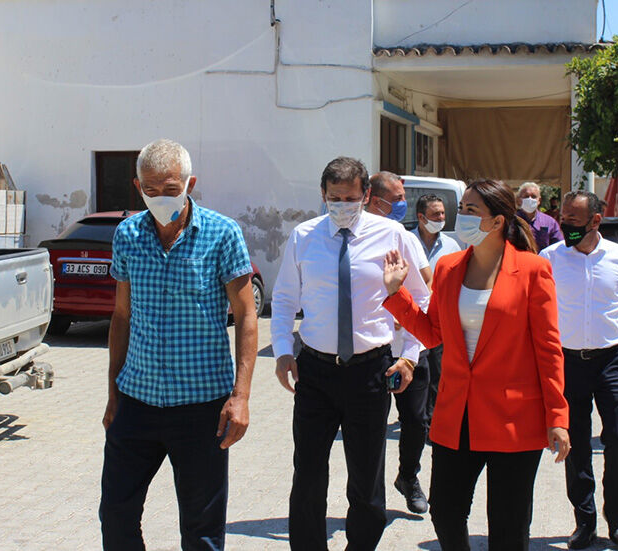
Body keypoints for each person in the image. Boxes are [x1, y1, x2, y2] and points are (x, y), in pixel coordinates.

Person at [382, 178, 570, 551]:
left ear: (498, 221)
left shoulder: (533, 270)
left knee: (508, 526)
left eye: (471, 210)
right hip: (458, 413)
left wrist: (557, 418)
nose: (462, 216)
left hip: (514, 417)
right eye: (462, 208)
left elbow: (549, 349)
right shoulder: (449, 267)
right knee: (445, 512)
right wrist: (396, 292)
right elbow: (433, 333)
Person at [99, 139, 258, 551]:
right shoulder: (128, 235)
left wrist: (240, 397)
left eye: (170, 189)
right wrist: (114, 394)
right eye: (150, 190)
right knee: (116, 516)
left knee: (202, 532)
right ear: (138, 187)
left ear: (190, 184)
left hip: (202, 410)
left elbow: (246, 316)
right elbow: (122, 316)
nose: (160, 198)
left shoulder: (222, 234)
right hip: (137, 401)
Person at [271, 157, 431, 550]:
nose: (342, 205)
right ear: (322, 195)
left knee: (366, 477)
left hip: (370, 372)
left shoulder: (392, 235)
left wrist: (410, 355)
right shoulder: (304, 236)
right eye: (334, 198)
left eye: (350, 198)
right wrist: (282, 351)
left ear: (366, 195)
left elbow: (422, 300)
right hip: (315, 372)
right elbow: (285, 298)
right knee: (308, 473)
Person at [540, 191, 618, 549]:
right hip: (566, 363)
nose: (565, 224)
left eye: (573, 220)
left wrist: (605, 336)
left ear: (595, 221)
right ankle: (585, 519)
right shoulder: (550, 258)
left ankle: (617, 515)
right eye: (563, 218)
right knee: (575, 442)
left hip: (610, 361)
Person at [367, 171, 433, 515]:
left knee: (416, 421)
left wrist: (409, 347)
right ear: (374, 199)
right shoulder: (353, 239)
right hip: (371, 353)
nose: (402, 204)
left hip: (409, 348)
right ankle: (370, 493)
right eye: (397, 198)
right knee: (370, 427)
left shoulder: (403, 237)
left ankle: (408, 476)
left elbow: (425, 289)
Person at [411, 194, 462, 420]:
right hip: (412, 319)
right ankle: (416, 415)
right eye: (435, 214)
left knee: (438, 372)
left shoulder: (451, 246)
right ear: (421, 217)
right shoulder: (406, 241)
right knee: (416, 372)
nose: (441, 218)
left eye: (442, 213)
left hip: (440, 319)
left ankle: (432, 419)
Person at [516, 181, 563, 251]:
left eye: (533, 197)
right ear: (518, 200)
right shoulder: (511, 221)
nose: (530, 199)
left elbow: (558, 246)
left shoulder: (550, 222)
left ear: (539, 200)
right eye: (526, 196)